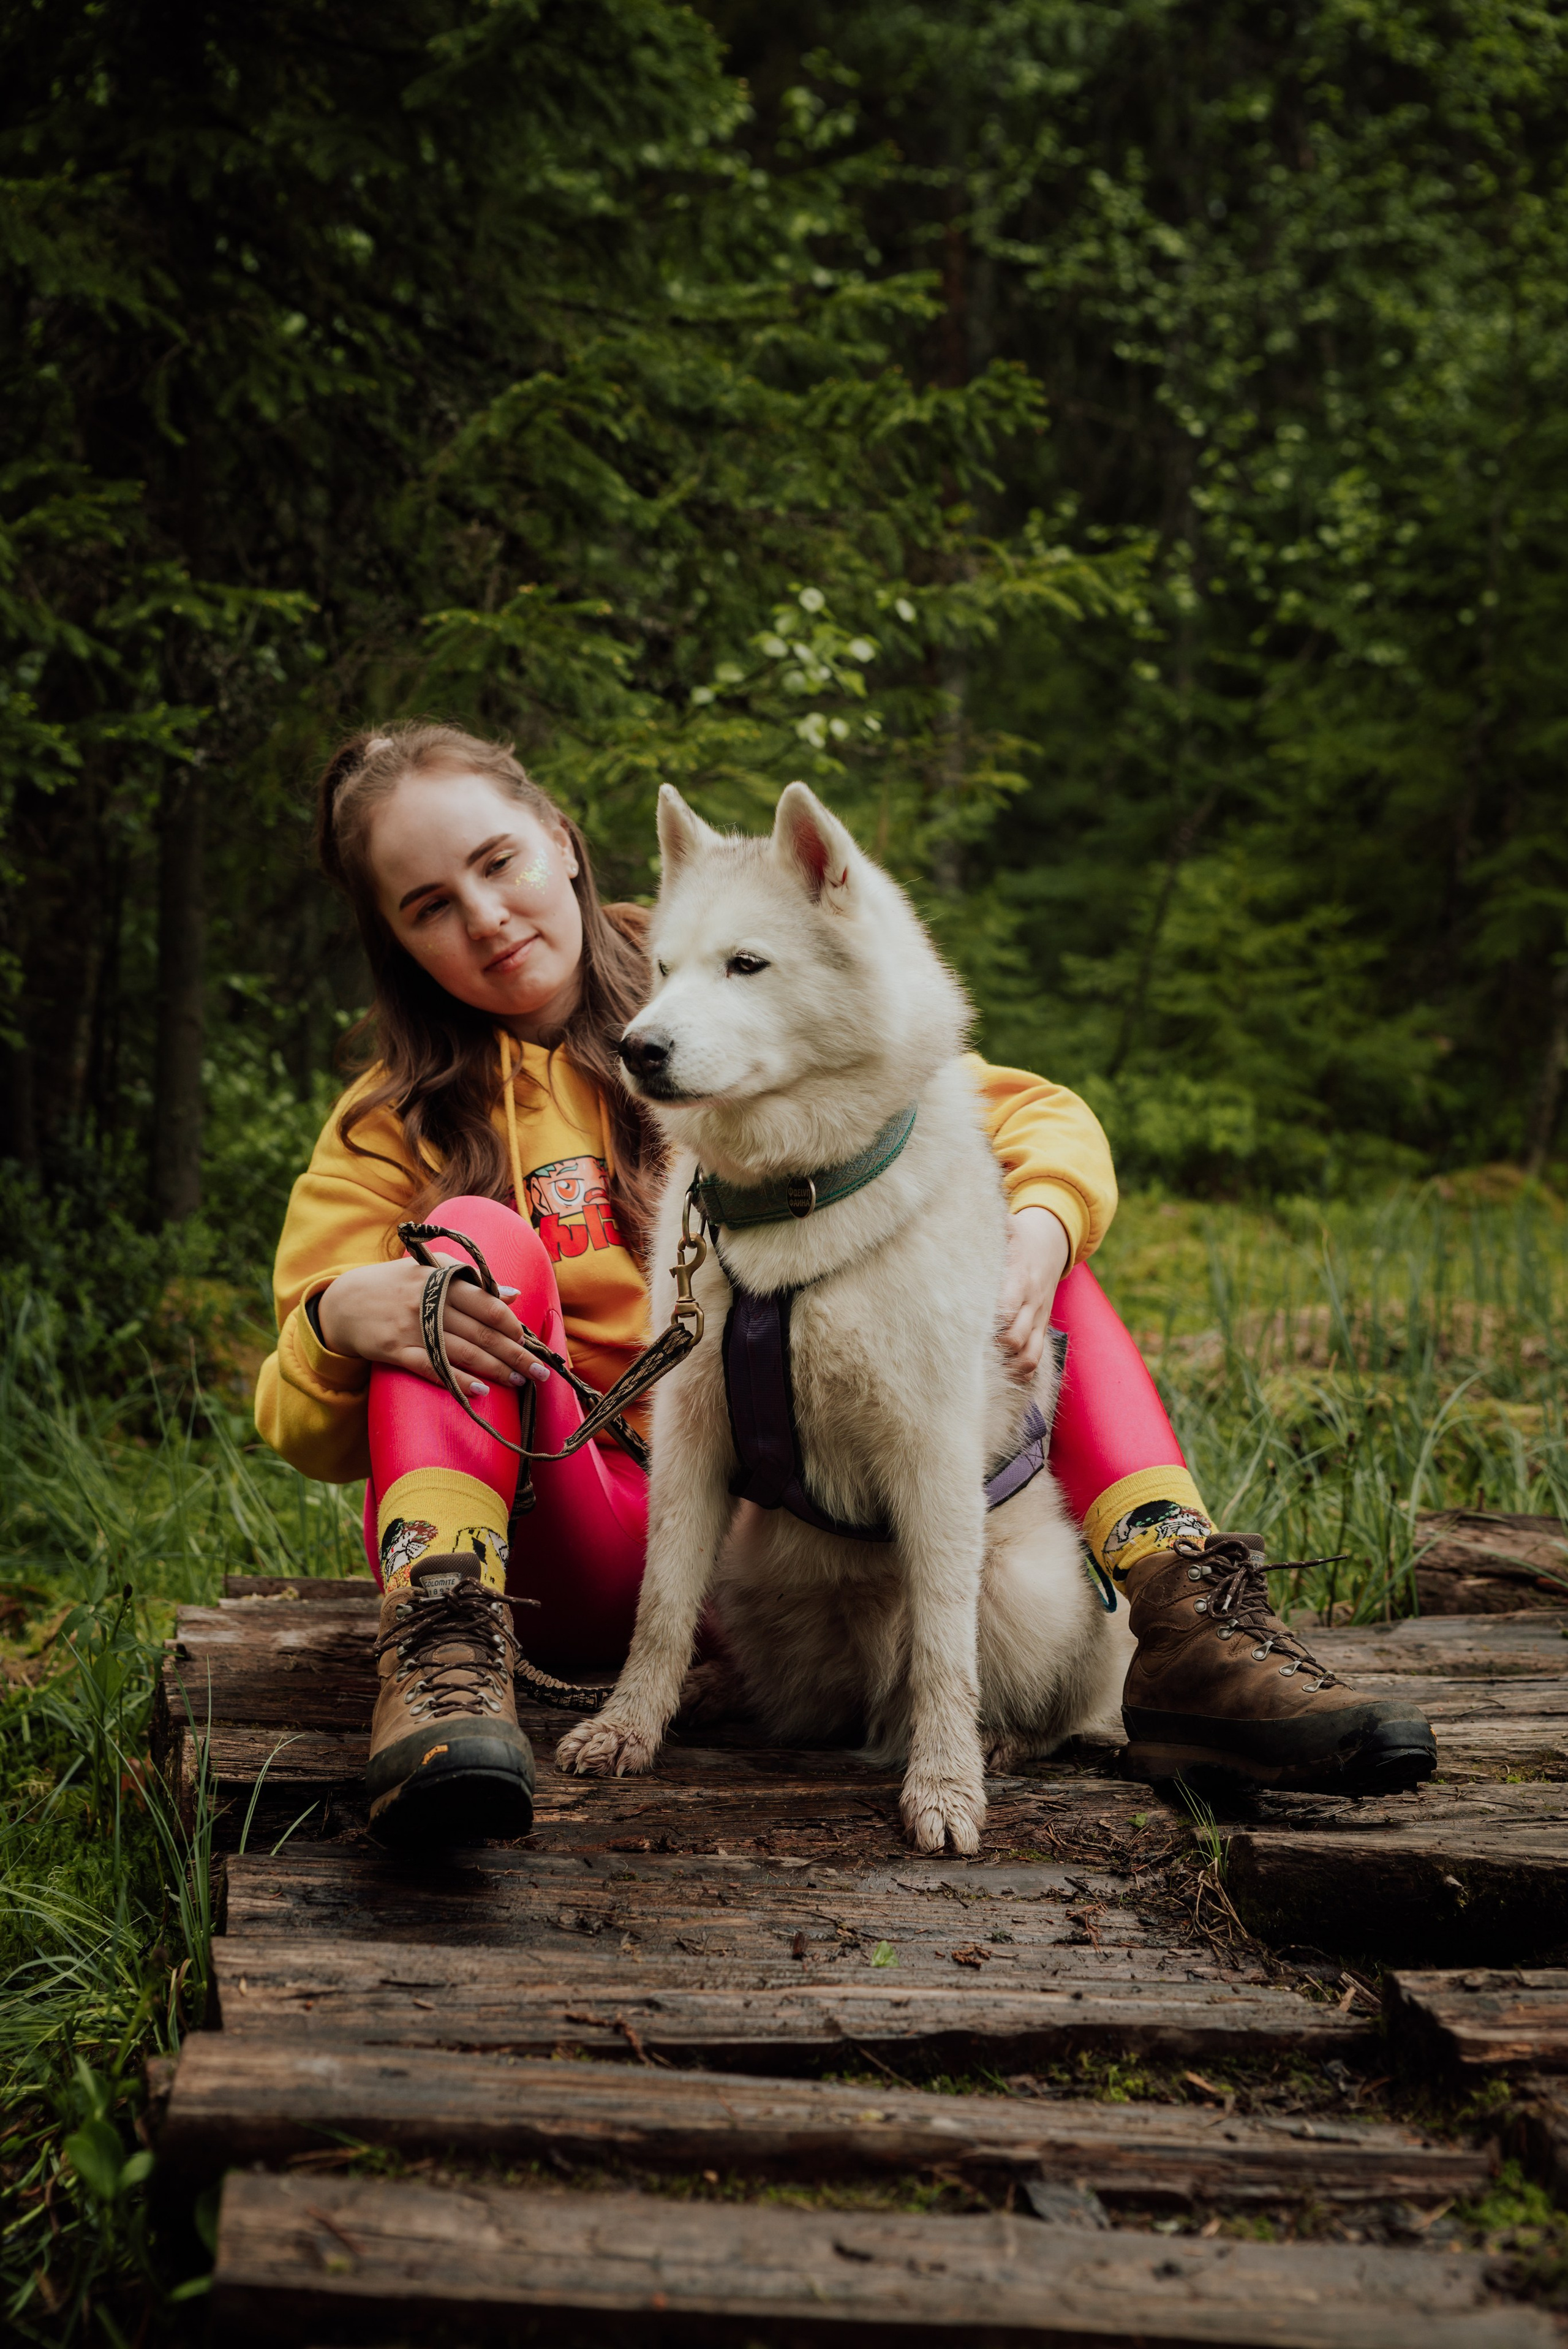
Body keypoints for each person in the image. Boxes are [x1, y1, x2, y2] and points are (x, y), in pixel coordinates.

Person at [257, 722, 1434, 1842]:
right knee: (452, 1255)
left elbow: (1020, 1113)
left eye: (497, 862)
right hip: (588, 1529)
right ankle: (444, 1654)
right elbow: (300, 1424)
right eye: (430, 907)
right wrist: (333, 1321)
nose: (485, 916)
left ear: (559, 840)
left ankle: (1184, 1609)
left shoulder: (733, 940)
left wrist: (1042, 1224)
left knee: (1017, 1242)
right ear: (397, 940)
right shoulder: (389, 1120)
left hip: (784, 1533)